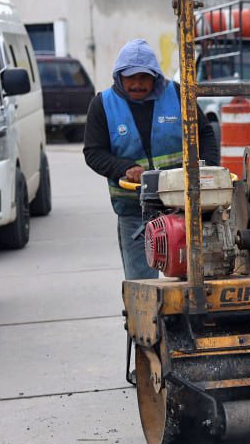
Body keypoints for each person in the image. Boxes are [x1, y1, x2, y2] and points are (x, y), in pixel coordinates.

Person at [83, 39, 219, 280]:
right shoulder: (102, 105)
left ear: (155, 77)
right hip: (134, 209)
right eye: (130, 77)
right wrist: (123, 168)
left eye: (143, 77)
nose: (137, 83)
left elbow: (205, 133)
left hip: (182, 203)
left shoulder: (177, 94)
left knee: (195, 276)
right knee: (142, 283)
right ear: (119, 77)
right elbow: (93, 152)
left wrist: (206, 168)